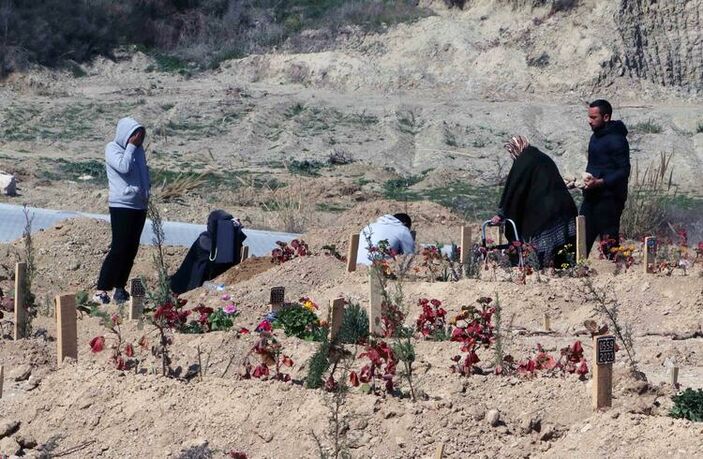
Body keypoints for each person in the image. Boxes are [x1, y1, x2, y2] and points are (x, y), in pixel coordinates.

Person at [491, 136, 577, 267]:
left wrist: (502, 213)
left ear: (515, 148)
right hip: (565, 207)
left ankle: (541, 268)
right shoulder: (541, 156)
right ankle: (564, 268)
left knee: (542, 253)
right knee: (563, 250)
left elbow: (514, 190)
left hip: (545, 212)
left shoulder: (523, 161)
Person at [94, 117, 150, 304]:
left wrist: (146, 192)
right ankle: (101, 290)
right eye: (135, 136)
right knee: (119, 247)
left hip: (139, 205)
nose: (138, 140)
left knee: (131, 249)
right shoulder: (112, 148)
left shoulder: (139, 151)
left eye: (141, 137)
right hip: (122, 205)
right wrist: (131, 147)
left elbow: (143, 173)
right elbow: (124, 167)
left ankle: (120, 288)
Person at [581, 99, 630, 256]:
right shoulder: (595, 137)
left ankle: (614, 269)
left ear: (606, 117)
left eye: (593, 117)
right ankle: (577, 268)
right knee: (581, 237)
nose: (589, 121)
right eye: (589, 117)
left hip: (610, 199)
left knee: (609, 243)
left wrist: (600, 182)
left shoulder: (617, 140)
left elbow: (624, 171)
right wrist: (582, 182)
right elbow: (594, 166)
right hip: (591, 196)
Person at [170, 210, 247, 294]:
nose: (227, 229)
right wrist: (233, 229)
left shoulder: (225, 240)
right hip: (193, 282)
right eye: (225, 225)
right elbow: (222, 256)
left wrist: (235, 230)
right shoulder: (205, 239)